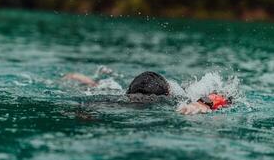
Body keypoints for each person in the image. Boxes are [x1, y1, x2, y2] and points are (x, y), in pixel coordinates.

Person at [63, 70, 232, 115]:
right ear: (167, 92)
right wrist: (203, 104)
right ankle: (89, 82)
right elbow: (226, 96)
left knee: (101, 88)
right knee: (103, 87)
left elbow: (225, 95)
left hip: (116, 94)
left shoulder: (186, 93)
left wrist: (202, 102)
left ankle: (87, 81)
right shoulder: (178, 99)